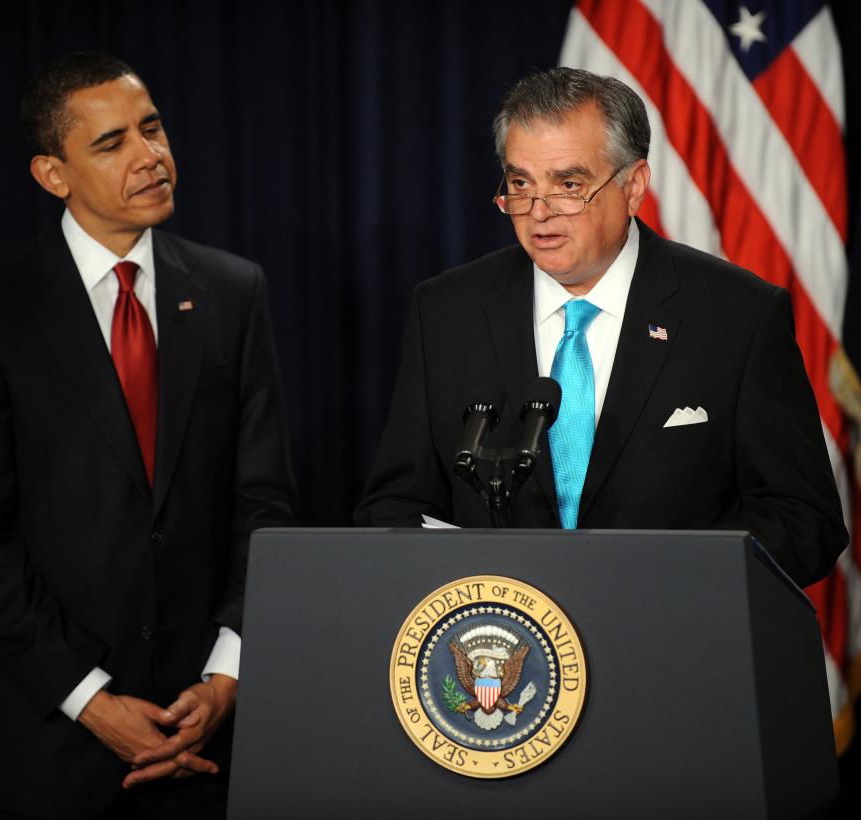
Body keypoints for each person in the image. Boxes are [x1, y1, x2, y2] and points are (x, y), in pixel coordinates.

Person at [0, 52, 297, 818]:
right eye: (110, 144)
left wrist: (228, 677)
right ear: (51, 175)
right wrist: (93, 701)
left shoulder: (234, 291)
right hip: (55, 745)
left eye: (152, 128)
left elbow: (265, 504)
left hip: (211, 737)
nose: (149, 156)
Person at [354, 67, 846, 588]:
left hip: (672, 646)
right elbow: (395, 505)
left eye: (569, 185)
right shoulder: (447, 312)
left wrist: (656, 583)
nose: (538, 214)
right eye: (520, 185)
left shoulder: (736, 316)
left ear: (632, 186)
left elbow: (803, 520)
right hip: (502, 650)